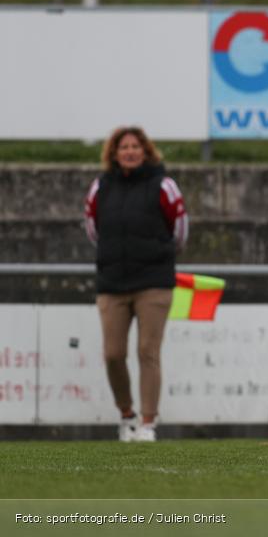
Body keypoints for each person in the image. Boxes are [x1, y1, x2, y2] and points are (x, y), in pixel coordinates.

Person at [83, 126, 188, 442]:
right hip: (112, 282)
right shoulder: (100, 187)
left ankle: (148, 423)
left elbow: (180, 231)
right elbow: (93, 229)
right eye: (124, 147)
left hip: (153, 282)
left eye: (135, 146)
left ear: (146, 151)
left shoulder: (164, 185)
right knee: (113, 353)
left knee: (147, 351)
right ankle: (127, 414)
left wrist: (158, 255)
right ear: (114, 154)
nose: (129, 152)